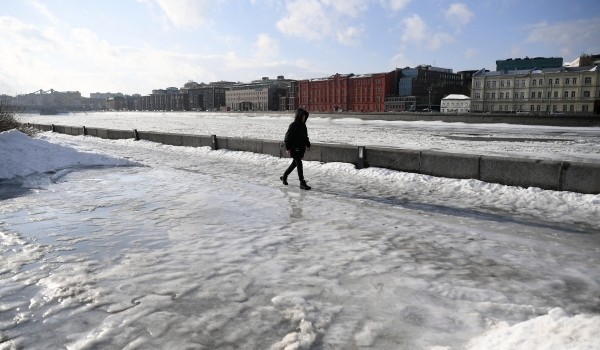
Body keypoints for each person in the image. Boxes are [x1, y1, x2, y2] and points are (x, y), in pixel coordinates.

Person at [281, 108, 311, 190]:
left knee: (295, 163)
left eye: (305, 117)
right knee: (299, 163)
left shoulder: (304, 126)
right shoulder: (293, 125)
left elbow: (305, 137)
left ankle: (284, 176)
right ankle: (302, 182)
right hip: (294, 148)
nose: (304, 118)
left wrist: (308, 144)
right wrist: (288, 148)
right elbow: (287, 137)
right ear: (299, 116)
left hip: (301, 148)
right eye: (303, 117)